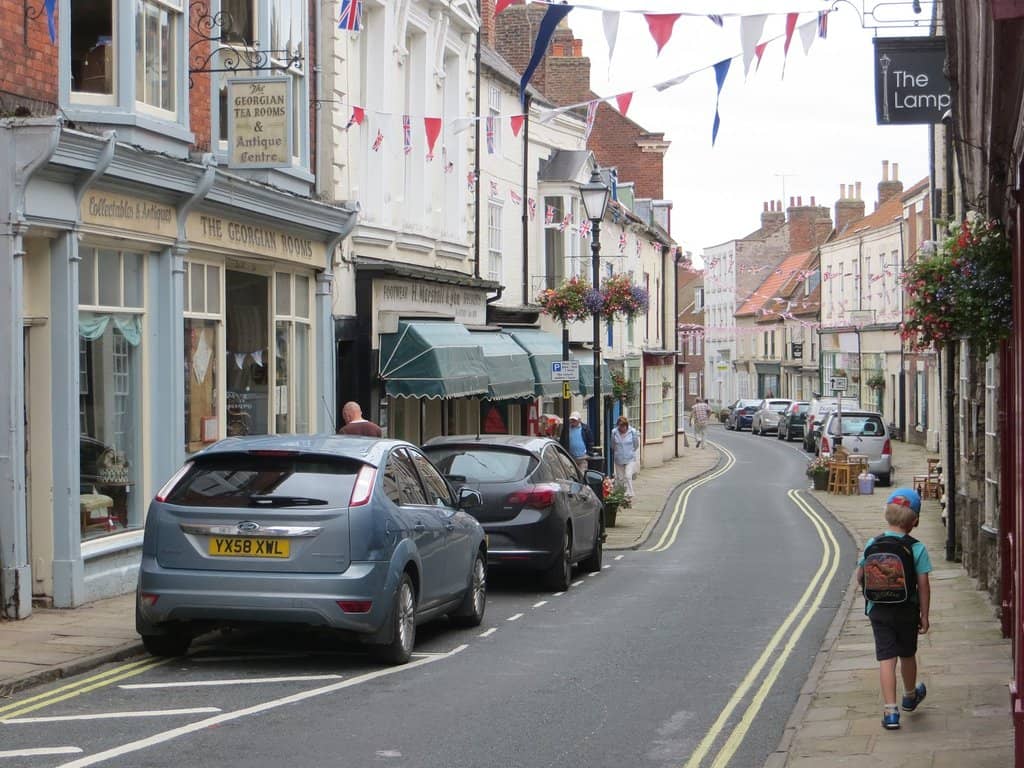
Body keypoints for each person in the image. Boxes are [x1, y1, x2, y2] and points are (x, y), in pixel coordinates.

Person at [854, 488, 932, 731]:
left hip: (879, 611)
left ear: (887, 515)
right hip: (907, 611)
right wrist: (925, 615)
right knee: (907, 654)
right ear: (915, 521)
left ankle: (890, 712)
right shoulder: (917, 548)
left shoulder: (872, 543)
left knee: (886, 658)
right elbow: (923, 585)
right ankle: (909, 696)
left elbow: (860, 576)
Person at [610, 415, 640, 499]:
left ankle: (630, 492)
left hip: (630, 458)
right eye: (620, 426)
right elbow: (612, 445)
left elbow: (636, 445)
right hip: (618, 458)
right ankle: (620, 493)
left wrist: (630, 451)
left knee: (628, 475)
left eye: (623, 426)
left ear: (626, 425)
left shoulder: (633, 432)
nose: (621, 428)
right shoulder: (614, 432)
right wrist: (617, 452)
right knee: (620, 478)